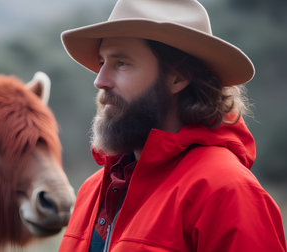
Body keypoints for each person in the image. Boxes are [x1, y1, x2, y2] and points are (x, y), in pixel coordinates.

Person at [59, 0, 286, 251]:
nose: (100, 81)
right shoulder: (92, 191)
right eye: (102, 63)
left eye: (121, 63)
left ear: (177, 77)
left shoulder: (227, 192)